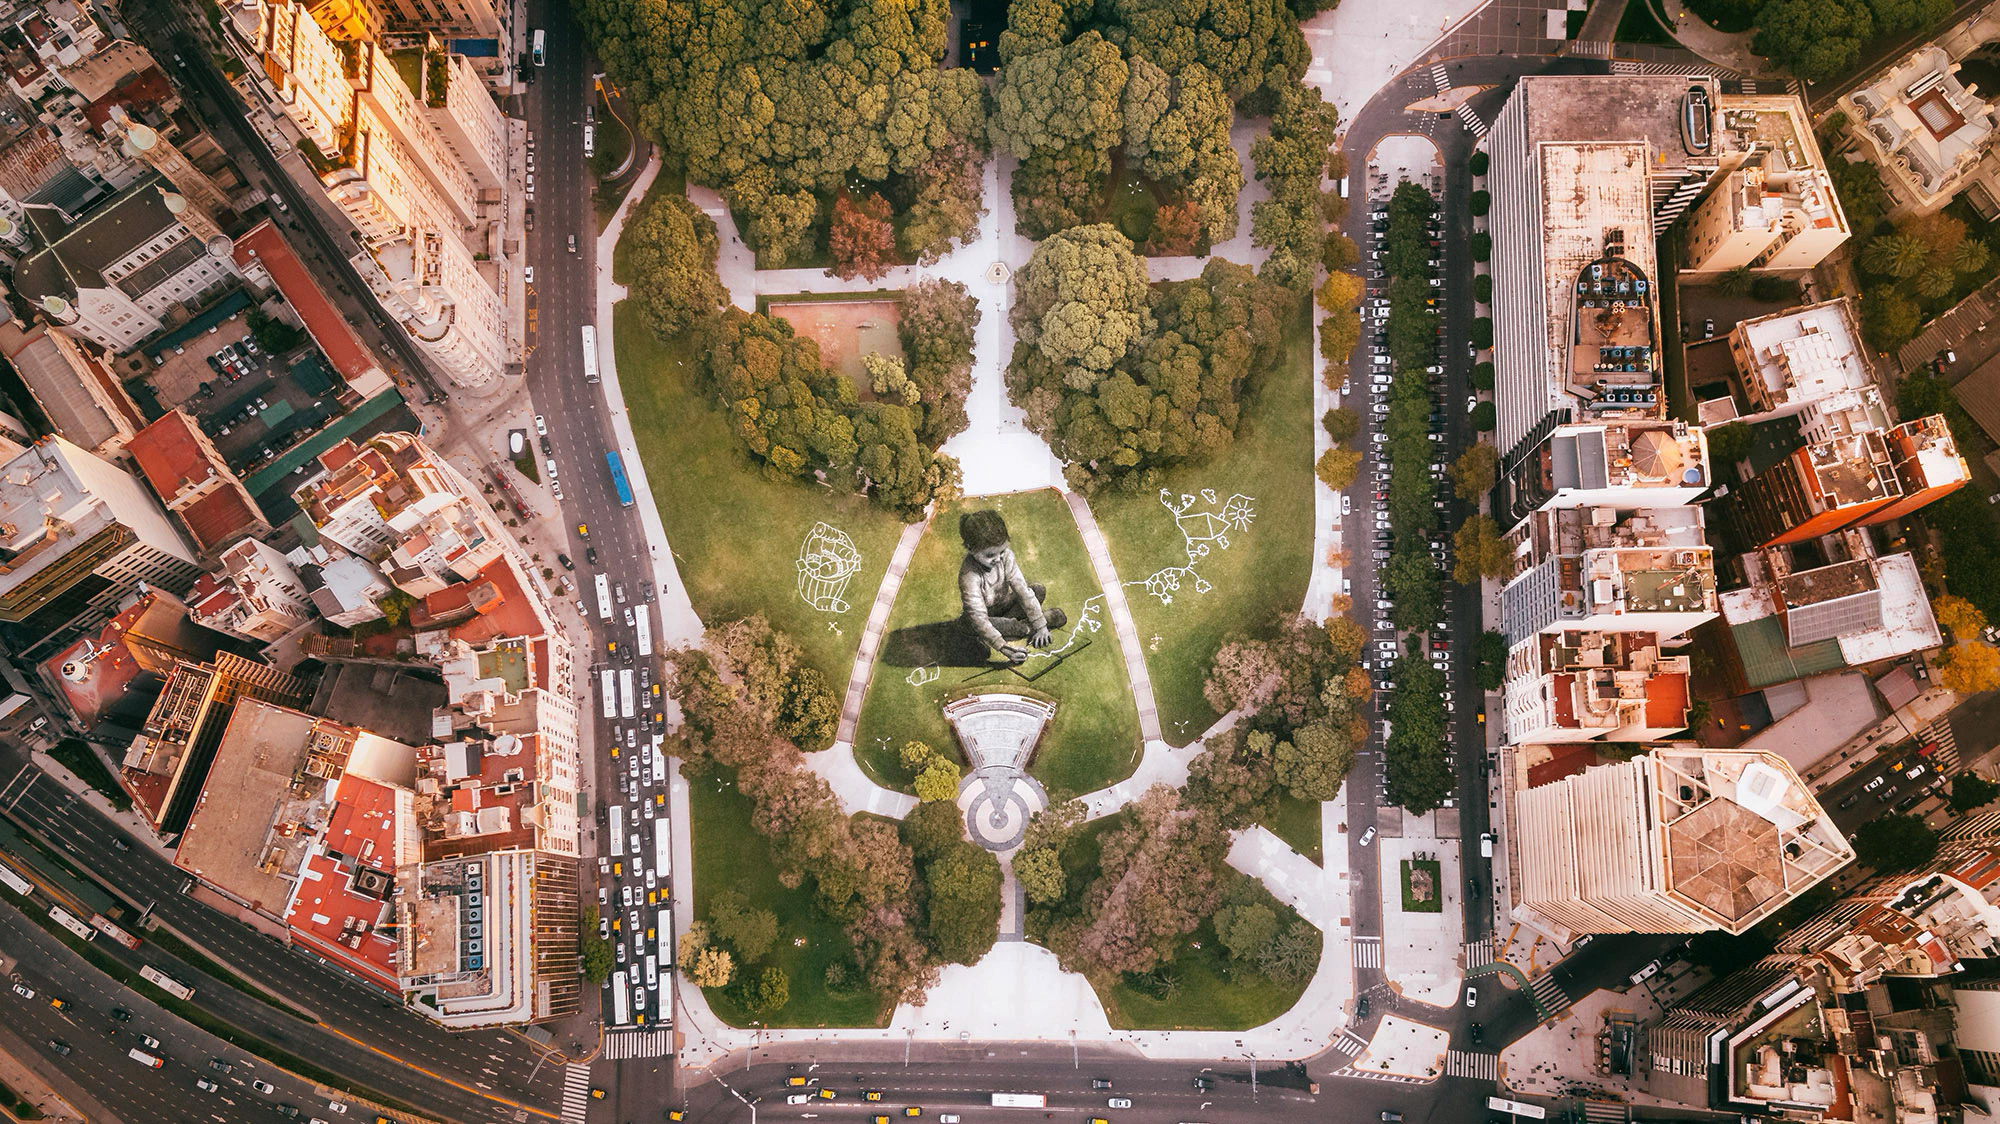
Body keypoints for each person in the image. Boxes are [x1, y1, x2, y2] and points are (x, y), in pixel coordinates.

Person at [957, 510, 1065, 664]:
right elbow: (978, 618)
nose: (998, 558)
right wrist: (1006, 649)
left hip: (1002, 606)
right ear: (970, 548)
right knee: (1010, 626)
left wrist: (1041, 626)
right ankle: (1025, 627)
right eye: (990, 555)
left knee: (1037, 590)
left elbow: (1021, 589)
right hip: (977, 620)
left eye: (1001, 551)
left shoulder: (1006, 556)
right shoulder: (970, 575)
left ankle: (1030, 624)